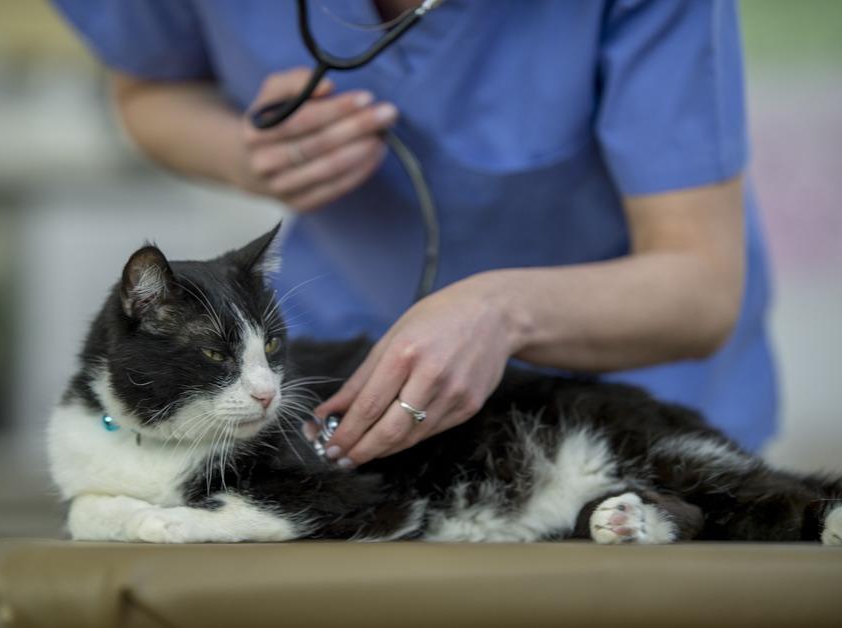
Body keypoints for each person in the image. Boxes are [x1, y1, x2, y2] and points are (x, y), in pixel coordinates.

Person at [52, 0, 776, 468]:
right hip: (340, 395)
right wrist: (247, 153)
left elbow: (700, 288)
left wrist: (500, 311)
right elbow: (147, 87)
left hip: (618, 412)